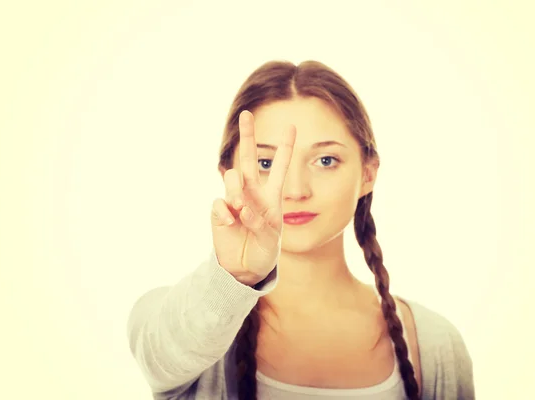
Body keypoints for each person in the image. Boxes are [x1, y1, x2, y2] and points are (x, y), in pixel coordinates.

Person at [127, 60, 475, 400]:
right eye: (266, 163)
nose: (295, 190)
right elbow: (162, 356)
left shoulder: (433, 344)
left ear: (368, 173)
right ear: (226, 173)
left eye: (325, 161)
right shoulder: (184, 322)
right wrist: (236, 275)